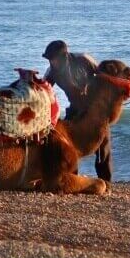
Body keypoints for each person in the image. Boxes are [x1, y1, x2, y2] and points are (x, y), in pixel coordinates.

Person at [42, 40, 112, 182]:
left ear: (64, 56)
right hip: (75, 108)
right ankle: (73, 178)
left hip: (95, 108)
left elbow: (103, 77)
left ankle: (105, 180)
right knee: (69, 144)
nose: (52, 62)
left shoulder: (84, 59)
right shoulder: (51, 72)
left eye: (53, 59)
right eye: (49, 59)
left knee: (102, 144)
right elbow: (43, 89)